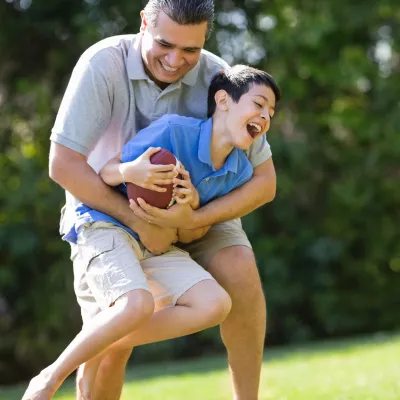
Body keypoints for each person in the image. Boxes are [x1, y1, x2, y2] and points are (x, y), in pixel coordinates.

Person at [44, 1, 277, 399]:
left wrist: (191, 219)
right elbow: (63, 166)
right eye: (165, 44)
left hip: (195, 206)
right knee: (116, 346)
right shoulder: (103, 64)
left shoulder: (220, 78)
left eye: (191, 50)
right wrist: (141, 222)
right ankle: (95, 347)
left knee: (240, 272)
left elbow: (263, 181)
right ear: (143, 24)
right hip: (108, 209)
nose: (175, 60)